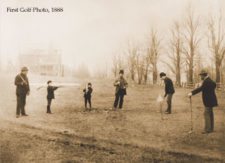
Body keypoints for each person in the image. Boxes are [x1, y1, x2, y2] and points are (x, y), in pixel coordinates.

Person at [188, 70, 218, 134]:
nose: (200, 77)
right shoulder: (210, 81)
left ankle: (207, 129)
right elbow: (214, 85)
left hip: (208, 100)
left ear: (204, 75)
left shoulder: (206, 81)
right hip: (212, 100)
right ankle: (211, 128)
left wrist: (191, 93)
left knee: (206, 114)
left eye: (201, 75)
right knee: (210, 114)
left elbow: (200, 89)